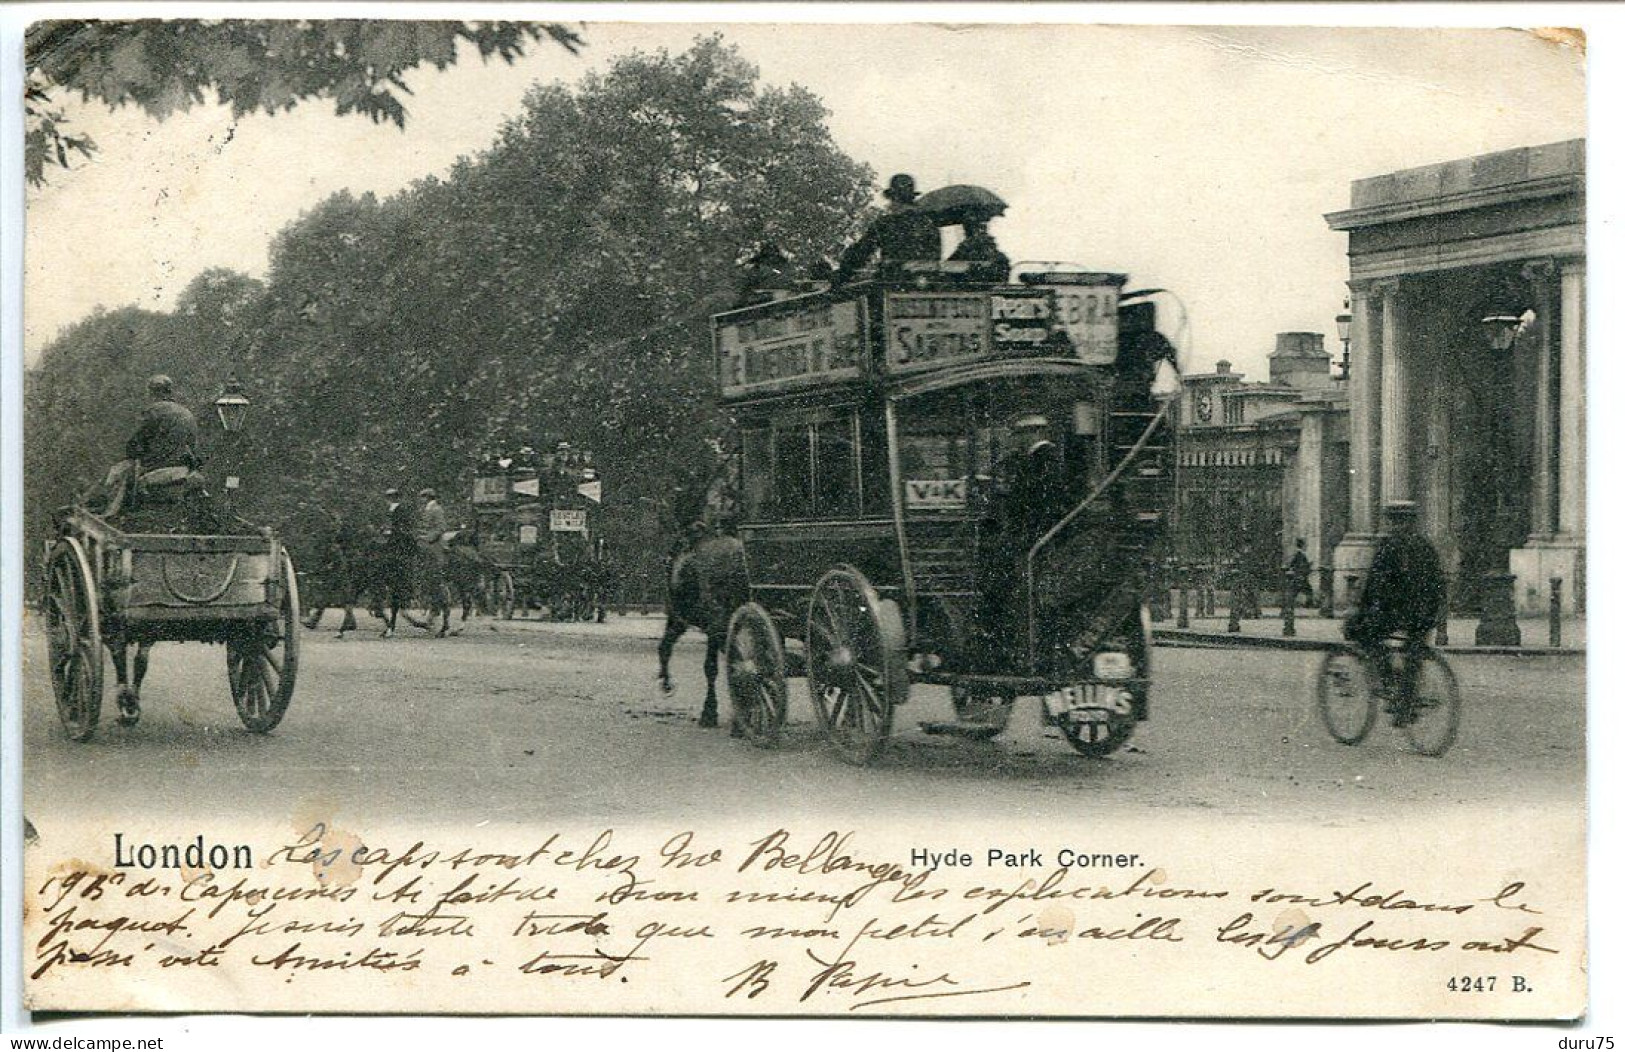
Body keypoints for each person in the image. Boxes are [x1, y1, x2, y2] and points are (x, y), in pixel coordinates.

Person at [973, 413, 1068, 671]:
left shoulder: (1044, 459)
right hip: (1032, 536)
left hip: (1034, 538)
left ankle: (1001, 640)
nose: (1018, 440)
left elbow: (1038, 502)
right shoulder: (1035, 459)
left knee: (999, 577)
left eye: (1021, 435)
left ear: (1034, 433)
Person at [1345, 501, 1446, 724]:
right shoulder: (1425, 545)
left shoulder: (1389, 546)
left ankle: (1392, 686)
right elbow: (1439, 581)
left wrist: (1358, 610)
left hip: (1396, 612)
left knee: (1369, 637)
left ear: (1392, 521)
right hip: (1423, 613)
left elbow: (1374, 584)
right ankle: (1407, 700)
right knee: (1414, 651)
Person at [834, 174, 941, 284]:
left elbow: (861, 252)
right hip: (927, 282)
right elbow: (935, 256)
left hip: (893, 282)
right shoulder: (929, 224)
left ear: (894, 198)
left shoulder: (885, 224)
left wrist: (843, 272)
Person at [1286, 539, 1314, 608]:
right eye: (1305, 545)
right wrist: (1309, 565)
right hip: (1300, 576)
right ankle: (1307, 604)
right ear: (1302, 546)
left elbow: (1292, 564)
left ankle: (1307, 604)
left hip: (1299, 576)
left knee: (1298, 591)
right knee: (1307, 590)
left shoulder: (1298, 554)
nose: (1306, 547)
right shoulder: (1300, 555)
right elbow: (1301, 565)